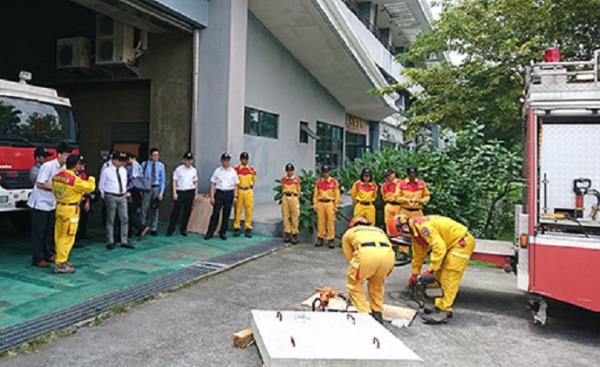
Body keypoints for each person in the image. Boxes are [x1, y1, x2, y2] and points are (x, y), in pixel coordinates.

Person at [387, 214, 476, 324]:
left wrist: (430, 270)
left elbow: (439, 248)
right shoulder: (415, 233)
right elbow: (418, 256)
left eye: (402, 235)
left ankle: (444, 310)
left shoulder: (424, 227)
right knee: (437, 278)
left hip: (461, 243)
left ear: (405, 228)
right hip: (449, 244)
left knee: (448, 277)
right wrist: (415, 274)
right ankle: (438, 306)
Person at [342, 217, 395, 324]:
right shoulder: (379, 230)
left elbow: (349, 257)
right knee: (377, 284)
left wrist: (358, 270)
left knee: (354, 284)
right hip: (388, 258)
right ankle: (377, 312)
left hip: (366, 256)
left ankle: (365, 314)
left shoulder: (349, 232)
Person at [27, 142, 70, 268]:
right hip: (40, 204)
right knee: (39, 233)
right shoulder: (47, 166)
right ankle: (38, 258)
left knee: (49, 231)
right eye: (65, 155)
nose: (66, 158)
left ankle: (48, 253)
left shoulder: (64, 168)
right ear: (59, 154)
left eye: (68, 156)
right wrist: (56, 189)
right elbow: (40, 184)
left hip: (52, 203)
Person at [52, 155, 96, 273]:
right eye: (80, 163)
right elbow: (90, 188)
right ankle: (60, 263)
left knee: (59, 236)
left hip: (60, 206)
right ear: (76, 164)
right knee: (67, 237)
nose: (82, 166)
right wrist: (91, 178)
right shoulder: (74, 180)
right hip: (70, 210)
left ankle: (61, 259)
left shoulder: (57, 176)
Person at [99, 151, 132, 250]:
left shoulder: (123, 170)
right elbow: (102, 184)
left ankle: (124, 240)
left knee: (125, 218)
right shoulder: (107, 170)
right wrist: (104, 196)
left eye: (123, 161)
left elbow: (125, 182)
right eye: (119, 160)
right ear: (113, 160)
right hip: (111, 195)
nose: (121, 163)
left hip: (122, 196)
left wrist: (125, 192)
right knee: (110, 219)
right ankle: (110, 241)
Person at [205, 153, 239, 240]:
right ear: (221, 161)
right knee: (215, 213)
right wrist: (212, 196)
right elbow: (213, 184)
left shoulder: (233, 172)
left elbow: (236, 185)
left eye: (227, 160)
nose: (226, 162)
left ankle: (222, 232)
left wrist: (235, 196)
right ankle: (210, 232)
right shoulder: (217, 171)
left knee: (226, 214)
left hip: (229, 194)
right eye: (224, 160)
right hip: (219, 193)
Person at [167, 152, 198, 237]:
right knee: (176, 211)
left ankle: (183, 229)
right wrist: (174, 192)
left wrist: (195, 194)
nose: (189, 162)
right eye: (187, 160)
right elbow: (174, 181)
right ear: (184, 160)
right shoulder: (178, 169)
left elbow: (195, 182)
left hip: (190, 192)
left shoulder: (194, 170)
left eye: (190, 160)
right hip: (180, 192)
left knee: (187, 212)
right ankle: (171, 229)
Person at [313, 165, 340, 248]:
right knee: (320, 221)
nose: (325, 173)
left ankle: (331, 239)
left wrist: (336, 205)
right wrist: (315, 204)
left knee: (330, 222)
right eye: (324, 172)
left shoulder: (334, 182)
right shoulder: (318, 183)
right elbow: (315, 195)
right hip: (321, 203)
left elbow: (337, 195)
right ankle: (320, 238)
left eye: (327, 172)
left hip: (330, 203)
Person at [141, 147, 166, 236]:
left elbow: (163, 180)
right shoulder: (144, 164)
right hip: (147, 188)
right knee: (144, 208)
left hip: (156, 187)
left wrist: (161, 193)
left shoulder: (161, 165)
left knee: (155, 208)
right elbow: (141, 178)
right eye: (154, 155)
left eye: (157, 155)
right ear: (150, 156)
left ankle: (153, 228)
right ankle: (142, 227)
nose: (156, 157)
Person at [233, 152, 256, 238]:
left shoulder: (251, 169)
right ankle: (236, 227)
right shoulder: (236, 169)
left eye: (246, 159)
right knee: (238, 210)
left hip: (248, 190)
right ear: (240, 159)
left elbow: (254, 180)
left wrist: (249, 186)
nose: (244, 160)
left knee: (249, 210)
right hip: (240, 190)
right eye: (243, 159)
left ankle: (248, 228)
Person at [126, 152, 149, 239]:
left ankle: (141, 227)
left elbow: (134, 177)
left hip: (132, 191)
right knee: (133, 211)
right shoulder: (138, 165)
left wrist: (128, 186)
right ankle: (134, 231)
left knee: (130, 212)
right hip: (136, 191)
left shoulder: (134, 165)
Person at [280, 163, 301, 244]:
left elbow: (298, 189)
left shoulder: (297, 180)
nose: (289, 172)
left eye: (291, 171)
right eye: (288, 171)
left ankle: (294, 233)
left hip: (294, 197)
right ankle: (287, 233)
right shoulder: (283, 179)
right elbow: (282, 187)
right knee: (285, 216)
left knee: (295, 216)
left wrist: (296, 198)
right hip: (285, 197)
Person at [74, 159, 93, 247]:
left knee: (83, 219)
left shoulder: (84, 175)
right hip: (73, 202)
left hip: (83, 201)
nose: (82, 167)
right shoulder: (71, 175)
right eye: (81, 164)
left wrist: (88, 201)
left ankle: (80, 236)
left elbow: (88, 190)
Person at [381, 169, 402, 235]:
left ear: (393, 174)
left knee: (399, 223)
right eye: (386, 176)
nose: (387, 177)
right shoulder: (384, 185)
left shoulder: (401, 183)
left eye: (389, 175)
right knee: (388, 223)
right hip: (389, 205)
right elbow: (384, 197)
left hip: (399, 206)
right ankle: (391, 239)